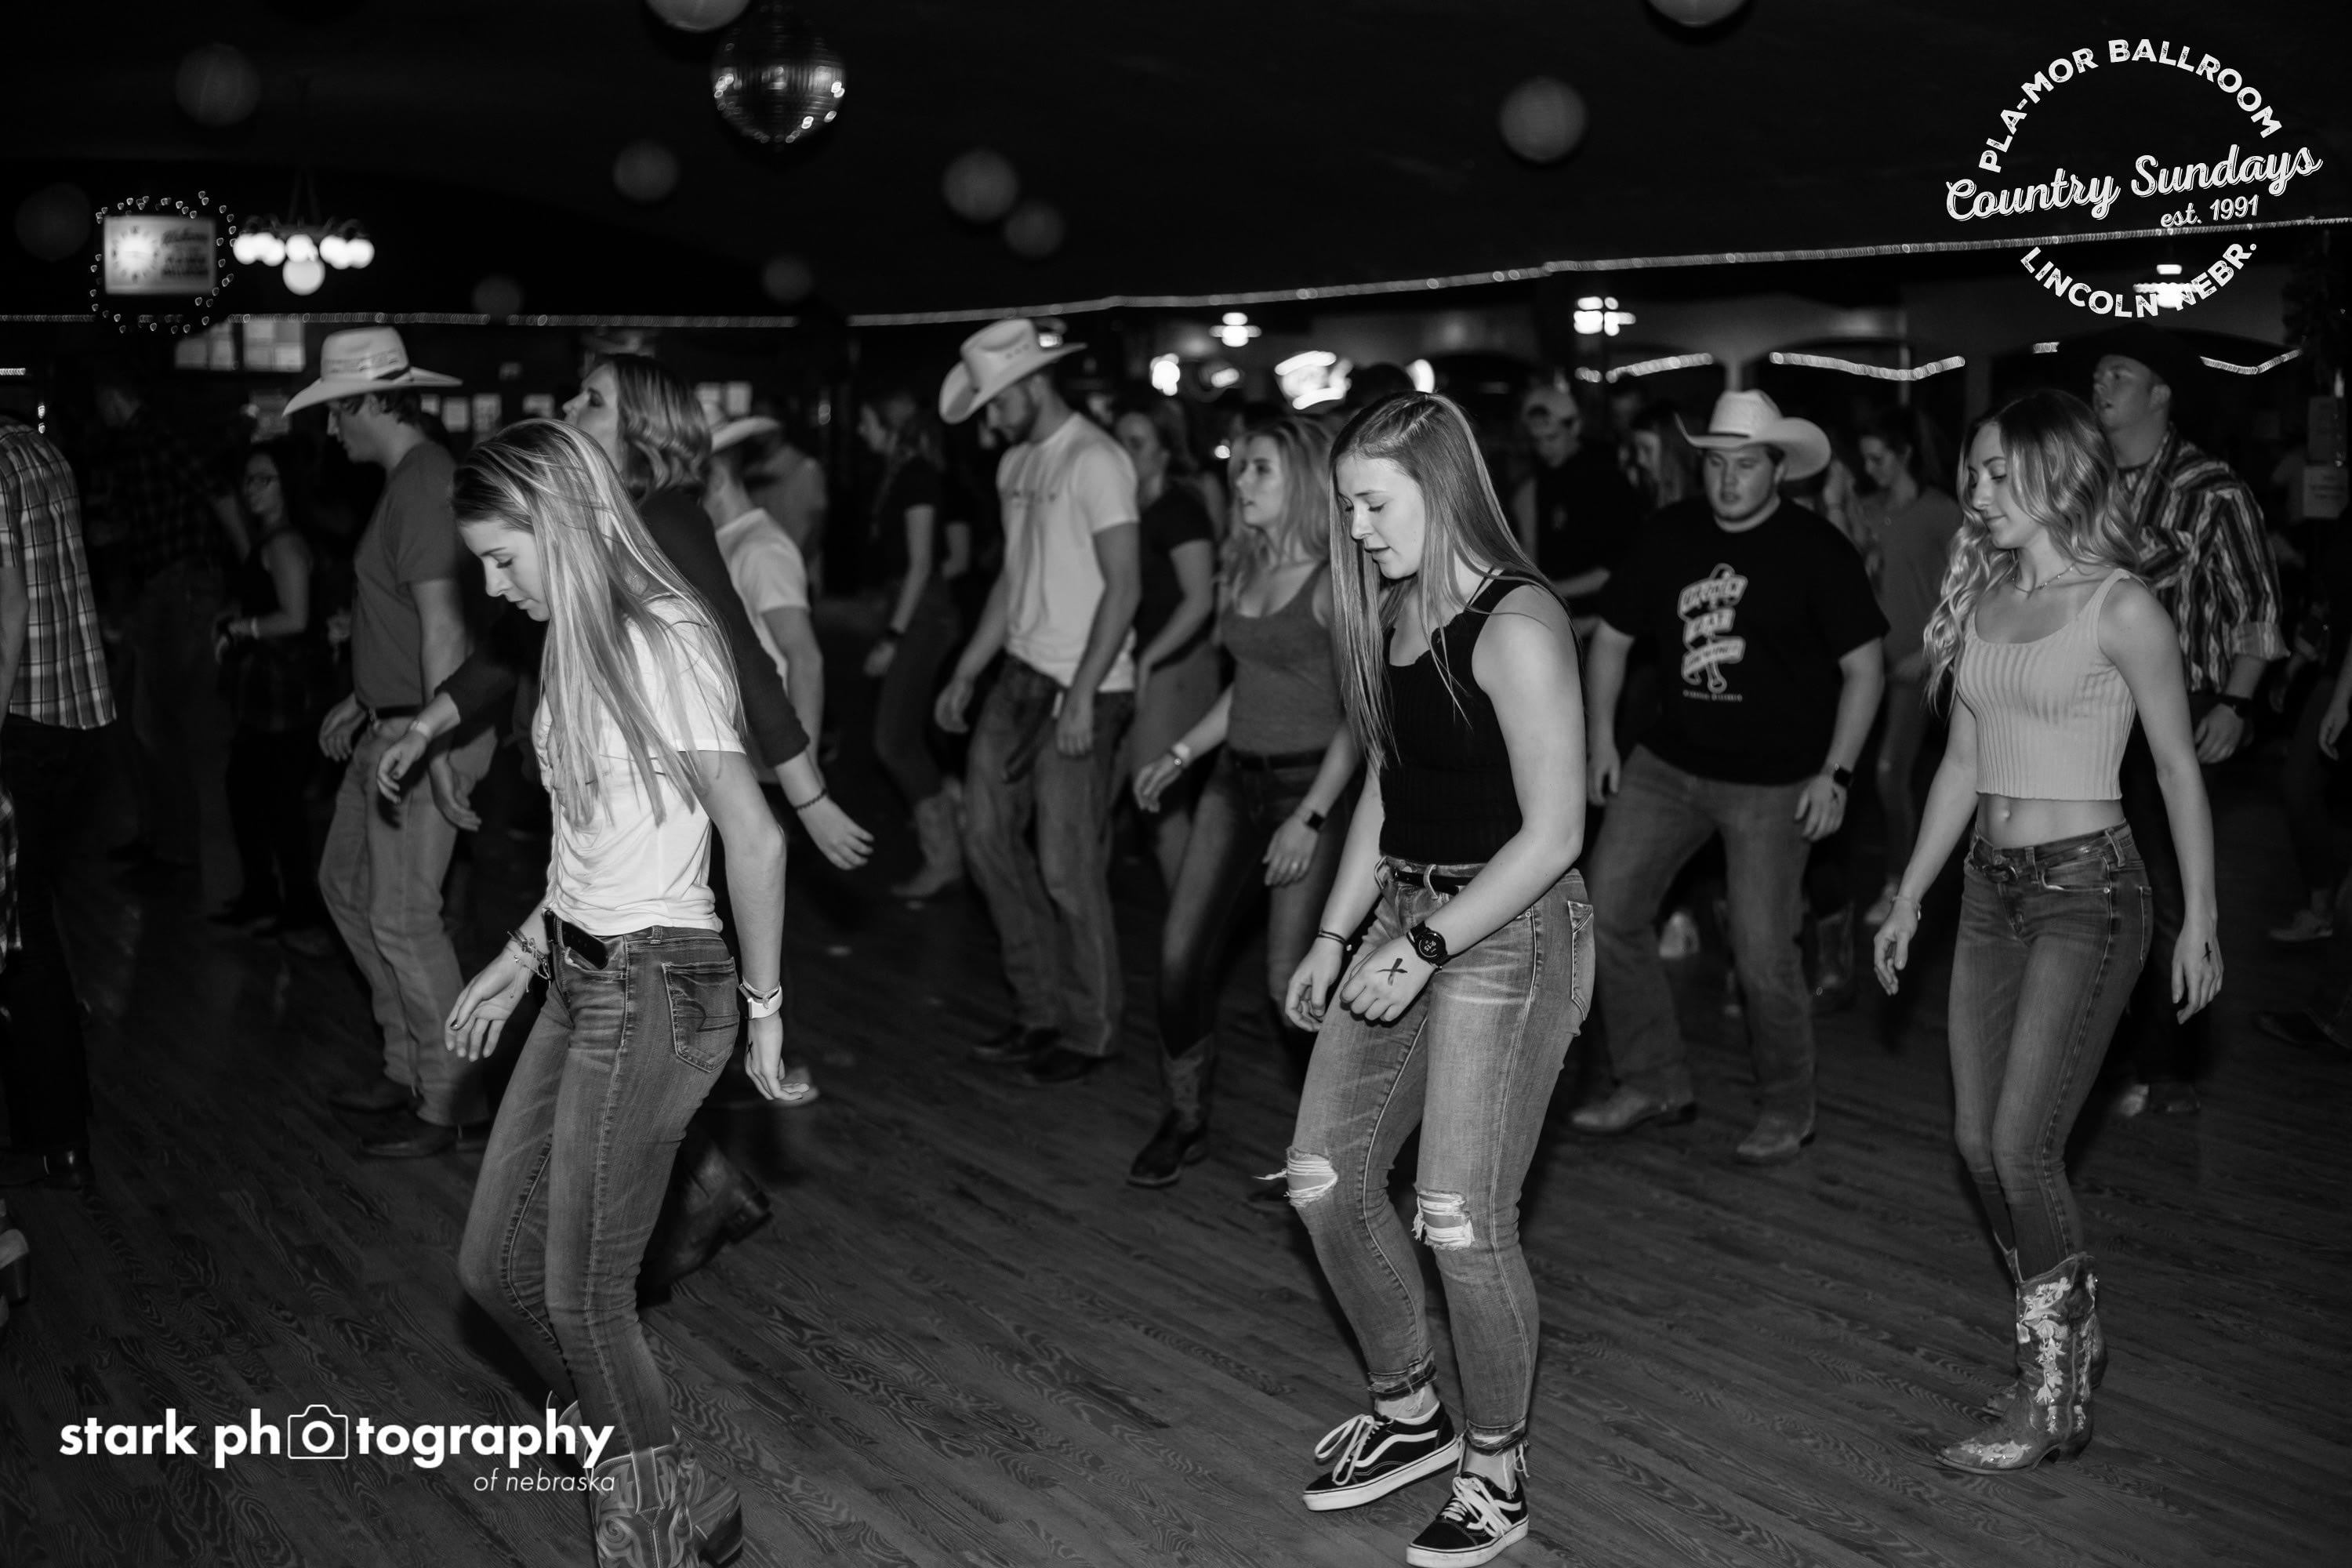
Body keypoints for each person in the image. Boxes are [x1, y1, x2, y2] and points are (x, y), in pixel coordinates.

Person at [447, 419, 775, 1567]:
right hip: (582, 972)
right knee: (493, 1271)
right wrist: (519, 953)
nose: (494, 586)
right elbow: (591, 848)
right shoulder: (572, 642)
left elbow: (754, 838)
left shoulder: (662, 638)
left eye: (503, 558)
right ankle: (669, 1480)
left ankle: (652, 1537)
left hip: (658, 982)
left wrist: (768, 1015)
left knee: (584, 1296)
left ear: (563, 523)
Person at [1874, 390, 2220, 1472]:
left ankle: (2053, 1392)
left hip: (2090, 892)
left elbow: (2177, 769)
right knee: (1978, 1144)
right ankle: (2071, 1323)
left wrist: (2202, 918)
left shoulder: (2121, 606)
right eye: (1972, 473)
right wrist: (1909, 893)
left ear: (2055, 473)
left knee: (2024, 1146)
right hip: (1990, 891)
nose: (1976, 493)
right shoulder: (1983, 599)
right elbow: (1962, 766)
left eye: (1994, 473)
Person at [1279, 393, 1585, 1568]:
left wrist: (1427, 946)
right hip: (1405, 914)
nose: (1356, 529)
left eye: (1373, 504)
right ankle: (1410, 1412)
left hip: (1509, 930)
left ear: (1442, 488)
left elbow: (1554, 833)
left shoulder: (1519, 623)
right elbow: (1385, 785)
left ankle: (1497, 1469)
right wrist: (1335, 933)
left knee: (1459, 1217)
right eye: (1348, 507)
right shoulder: (1395, 610)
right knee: (1322, 1176)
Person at [1573, 391, 1886, 1164]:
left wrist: (1836, 774)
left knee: (1761, 950)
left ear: (1778, 468)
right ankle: (1652, 1080)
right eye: (1716, 463)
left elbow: (1866, 669)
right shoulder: (1669, 534)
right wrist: (1599, 741)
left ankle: (1788, 1106)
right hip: (1668, 765)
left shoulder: (1816, 549)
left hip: (1776, 783)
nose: (1728, 478)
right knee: (1608, 910)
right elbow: (1610, 639)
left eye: (1745, 464)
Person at [1127, 415, 1357, 1188]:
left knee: (1289, 980)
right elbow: (1248, 688)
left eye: (1260, 468)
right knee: (1177, 956)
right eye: (1240, 469)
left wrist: (1311, 817)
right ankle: (1185, 1117)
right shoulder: (1247, 564)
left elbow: (1362, 719)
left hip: (1307, 788)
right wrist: (1180, 753)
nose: (1241, 481)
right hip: (1233, 782)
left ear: (1302, 481)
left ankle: (1334, 1148)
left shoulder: (1334, 583)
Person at [289, 329, 497, 1160]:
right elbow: (411, 619)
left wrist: (436, 751)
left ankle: (453, 1100)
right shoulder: (409, 481)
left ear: (368, 401)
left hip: (422, 734)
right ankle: (410, 1063)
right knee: (345, 886)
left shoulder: (425, 484)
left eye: (335, 410)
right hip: (394, 720)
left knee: (405, 916)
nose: (331, 428)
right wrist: (365, 692)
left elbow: (447, 629)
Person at [934, 319, 1142, 1087]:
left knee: (1064, 866)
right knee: (985, 838)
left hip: (1084, 687)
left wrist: (1083, 693)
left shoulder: (1097, 459)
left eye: (997, 403)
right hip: (1018, 677)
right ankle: (1039, 1011)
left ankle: (1092, 1028)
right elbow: (1012, 577)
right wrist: (968, 668)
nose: (992, 420)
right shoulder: (1015, 462)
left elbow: (1126, 586)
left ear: (1032, 384)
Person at [2084, 325, 2281, 1116]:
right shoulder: (2087, 484)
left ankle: (2165, 1070)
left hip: (2179, 710)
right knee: (2104, 887)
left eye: (2119, 374)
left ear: (2161, 394)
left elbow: (2258, 609)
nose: (2101, 386)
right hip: (2094, 711)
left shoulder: (2211, 488)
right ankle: (2108, 1053)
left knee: (2166, 893)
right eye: (2099, 374)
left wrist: (2235, 702)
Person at [0, 413, 117, 1190]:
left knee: (20, 931)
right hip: (80, 720)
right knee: (31, 915)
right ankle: (51, 1122)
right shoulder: (38, 447)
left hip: (20, 721)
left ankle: (57, 1131)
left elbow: (6, 609)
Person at [91, 362, 243, 873]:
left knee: (156, 720)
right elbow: (164, 516)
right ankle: (160, 839)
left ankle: (174, 849)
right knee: (141, 719)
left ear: (112, 396)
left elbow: (216, 491)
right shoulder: (141, 444)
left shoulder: (154, 437)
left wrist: (250, 561)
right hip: (163, 586)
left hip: (180, 585)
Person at [211, 442, 331, 949]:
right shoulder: (273, 538)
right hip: (272, 690)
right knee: (250, 793)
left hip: (285, 693)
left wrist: (242, 628)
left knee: (274, 801)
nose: (252, 488)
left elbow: (296, 618)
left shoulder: (283, 544)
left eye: (265, 479)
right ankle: (265, 897)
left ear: (287, 487)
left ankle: (296, 908)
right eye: (249, 479)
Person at [857, 387, 971, 900]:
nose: (860, 430)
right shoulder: (900, 474)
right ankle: (950, 846)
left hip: (923, 614)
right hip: (910, 608)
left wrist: (893, 636)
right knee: (903, 736)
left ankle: (946, 857)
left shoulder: (918, 475)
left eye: (866, 421)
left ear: (889, 426)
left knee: (895, 740)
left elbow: (923, 564)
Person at [1855, 406, 1963, 927]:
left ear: (1904, 455)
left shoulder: (1941, 512)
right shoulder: (1867, 509)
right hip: (1867, 666)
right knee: (1862, 774)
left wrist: (1932, 654)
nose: (1870, 469)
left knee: (1890, 772)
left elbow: (1970, 589)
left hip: (1917, 666)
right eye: (1864, 460)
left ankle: (1900, 885)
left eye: (1878, 459)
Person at [1114, 394, 1221, 888]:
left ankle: (1192, 920)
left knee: (1157, 800)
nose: (1124, 452)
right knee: (1132, 795)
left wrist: (1148, 660)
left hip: (1176, 664)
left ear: (1165, 450)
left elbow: (1199, 600)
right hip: (1140, 663)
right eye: (1118, 441)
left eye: (1136, 443)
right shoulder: (1127, 509)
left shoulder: (1179, 509)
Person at [705, 414, 825, 745]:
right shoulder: (725, 541)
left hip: (769, 749)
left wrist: (803, 763)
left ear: (716, 480)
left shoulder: (761, 549)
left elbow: (805, 660)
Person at [1509, 383, 1641, 619]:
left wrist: (1549, 591)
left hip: (1600, 615)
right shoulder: (1535, 483)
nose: (1544, 448)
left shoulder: (1607, 479)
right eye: (1536, 440)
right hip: (1554, 614)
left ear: (1575, 427)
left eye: (1552, 437)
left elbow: (1618, 566)